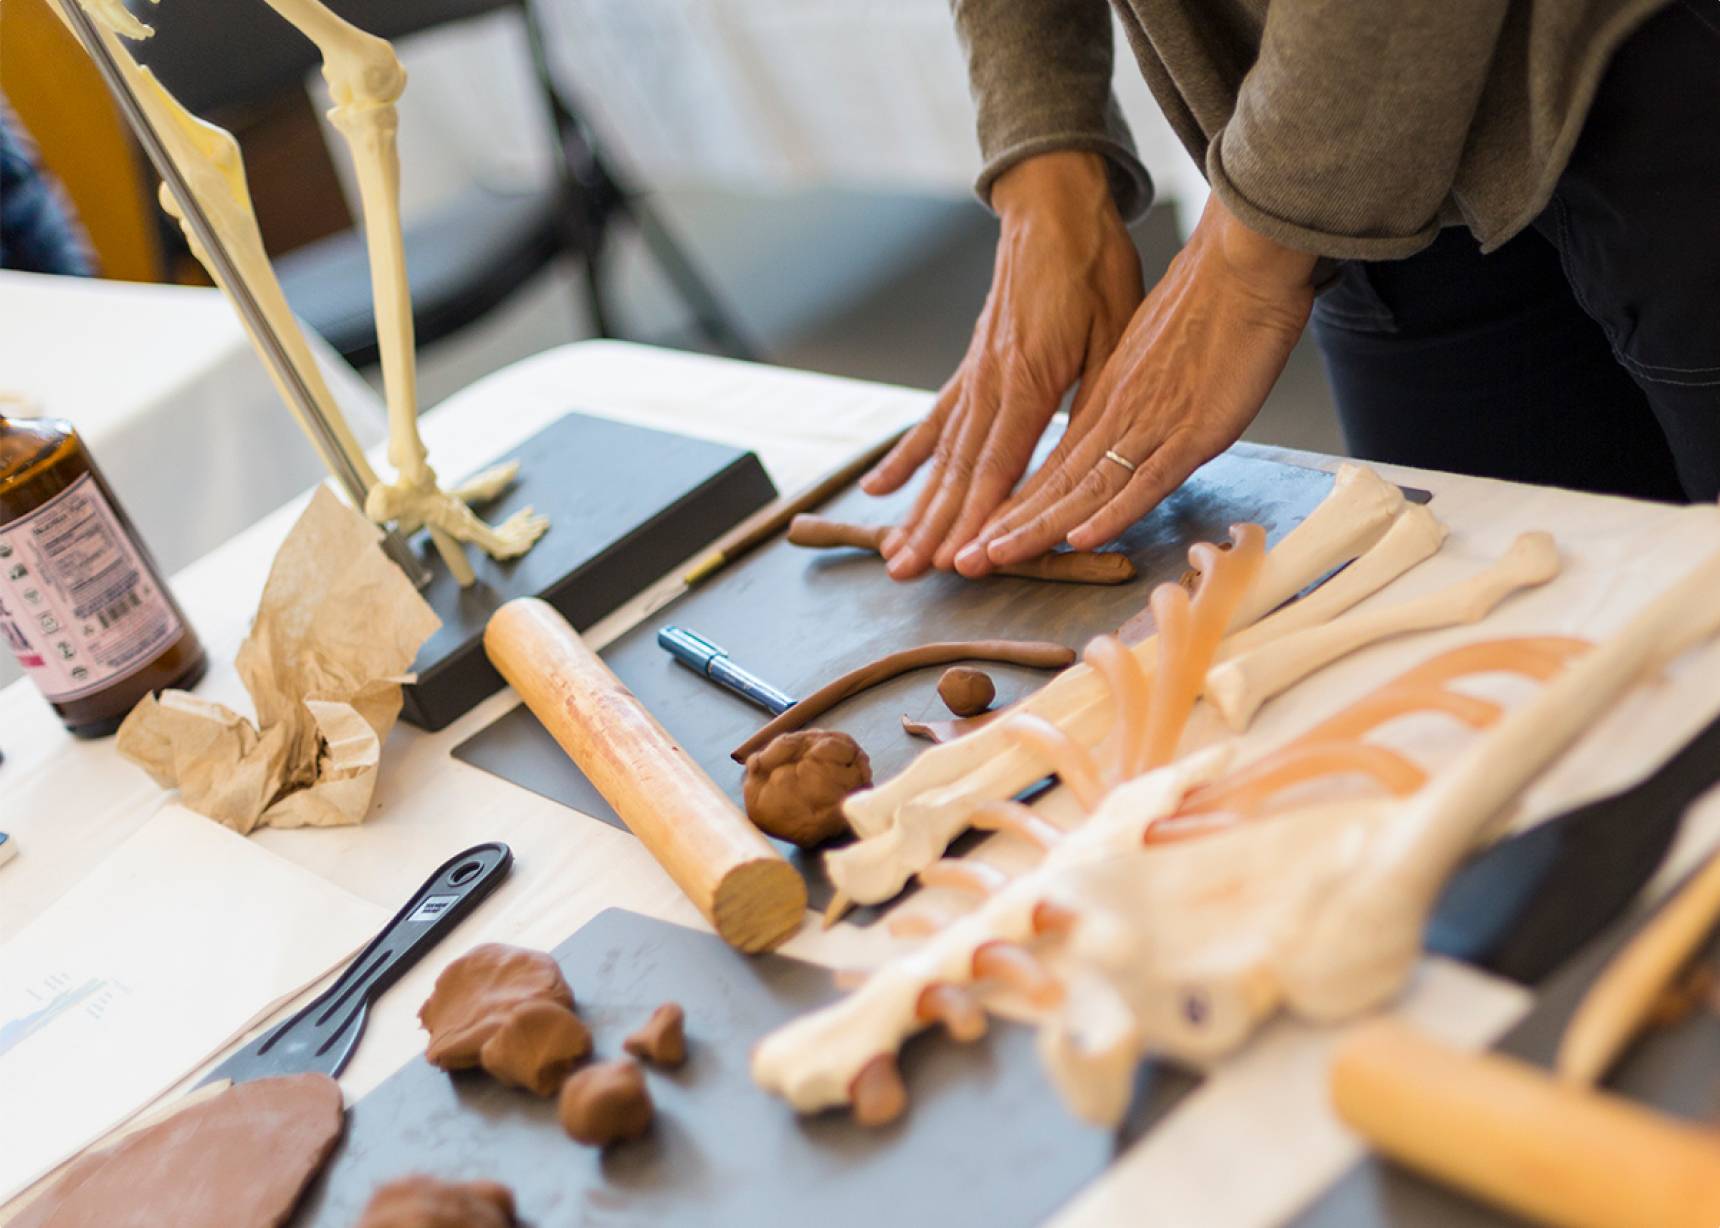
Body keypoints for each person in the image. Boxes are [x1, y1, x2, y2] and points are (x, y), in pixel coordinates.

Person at [867, 0, 1720, 581]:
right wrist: (1044, 160)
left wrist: (1253, 248)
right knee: (1507, 663)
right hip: (1320, 129)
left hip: (1649, 51)